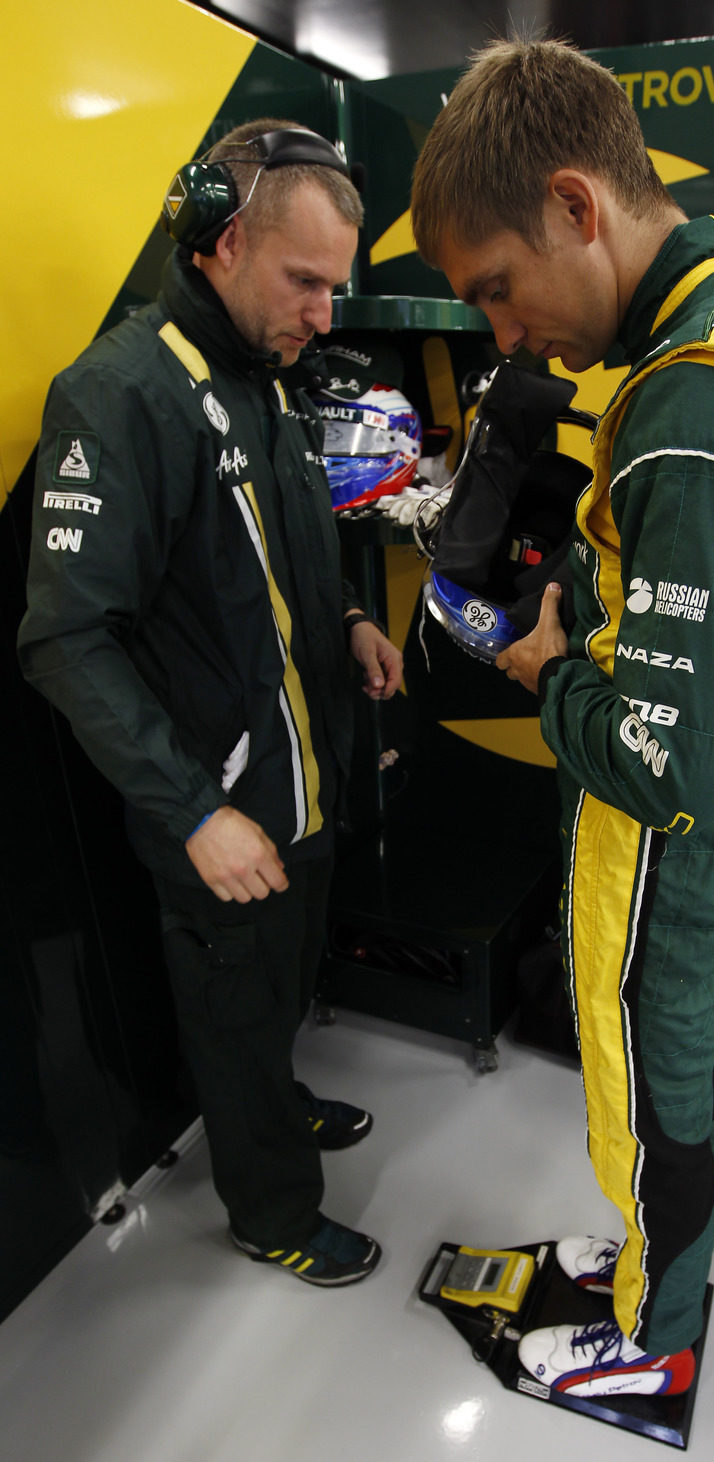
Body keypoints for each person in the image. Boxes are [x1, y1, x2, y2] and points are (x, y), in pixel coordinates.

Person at [411, 39, 714, 1397]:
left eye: (497, 288)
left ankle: (647, 1338)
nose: (503, 333)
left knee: (648, 1088)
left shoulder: (693, 400)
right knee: (657, 1074)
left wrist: (547, 664)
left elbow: (662, 753)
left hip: (666, 827)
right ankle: (648, 1276)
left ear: (574, 206)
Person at [18, 118, 403, 1287]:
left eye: (336, 287)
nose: (324, 315)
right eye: (305, 281)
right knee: (235, 1009)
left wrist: (346, 623)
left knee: (281, 984)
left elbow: (289, 551)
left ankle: (274, 1103)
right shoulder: (121, 394)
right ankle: (272, 1208)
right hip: (218, 807)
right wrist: (192, 810)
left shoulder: (268, 380)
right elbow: (66, 636)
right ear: (220, 240)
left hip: (307, 778)